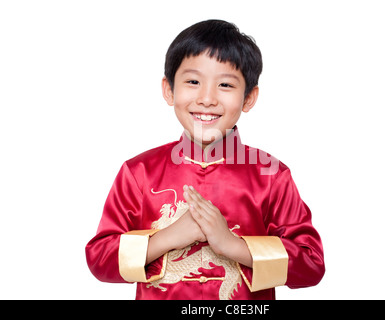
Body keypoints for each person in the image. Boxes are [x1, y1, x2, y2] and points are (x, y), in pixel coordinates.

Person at [85, 19, 325, 300]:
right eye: (193, 82)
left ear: (249, 98)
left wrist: (231, 245)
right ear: (169, 90)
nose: (207, 98)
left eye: (225, 84)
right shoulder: (138, 172)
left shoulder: (271, 175)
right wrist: (168, 237)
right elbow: (99, 260)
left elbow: (311, 265)